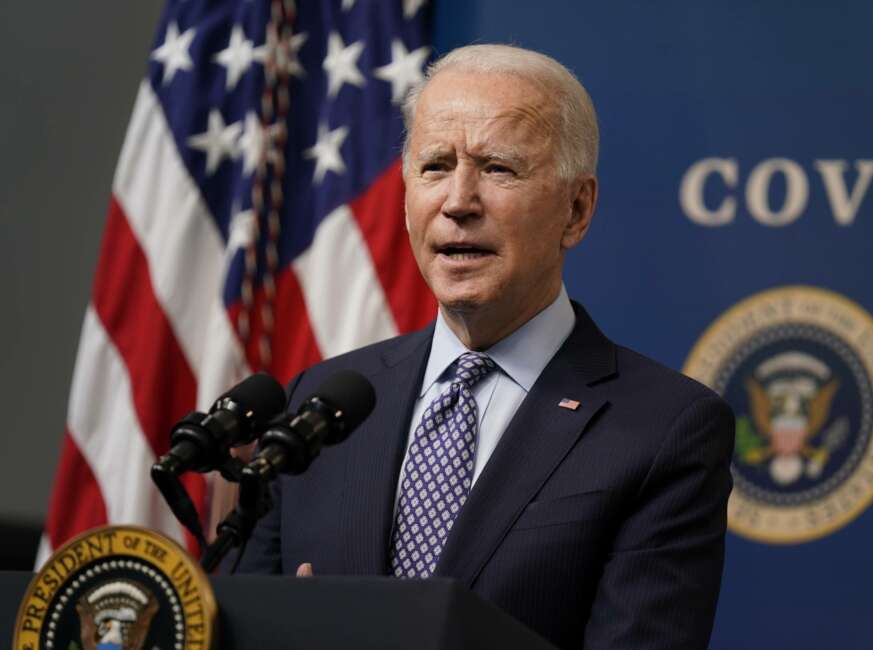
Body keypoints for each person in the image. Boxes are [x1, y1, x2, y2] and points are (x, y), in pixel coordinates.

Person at [238, 44, 734, 650]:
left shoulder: (665, 430)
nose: (458, 201)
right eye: (435, 167)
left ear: (576, 210)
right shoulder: (321, 404)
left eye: (498, 168)